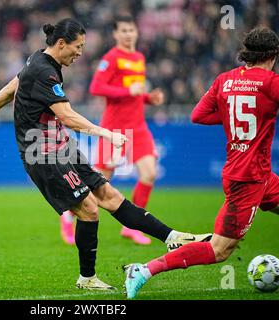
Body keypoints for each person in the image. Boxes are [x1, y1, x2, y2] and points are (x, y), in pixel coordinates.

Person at [0, 18, 211, 291]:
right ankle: (87, 278)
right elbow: (66, 116)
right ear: (60, 44)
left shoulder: (40, 61)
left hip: (59, 145)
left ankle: (172, 237)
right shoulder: (44, 70)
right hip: (41, 151)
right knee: (90, 209)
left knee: (110, 196)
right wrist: (108, 134)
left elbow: (14, 84)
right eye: (77, 47)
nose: (80, 53)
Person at [124, 26, 279, 299]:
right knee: (220, 250)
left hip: (257, 174)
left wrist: (232, 117)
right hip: (248, 179)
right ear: (273, 54)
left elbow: (197, 115)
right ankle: (144, 270)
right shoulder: (271, 83)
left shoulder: (225, 80)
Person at [60, 15, 165, 246]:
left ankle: (133, 226)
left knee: (149, 174)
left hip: (138, 128)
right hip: (114, 129)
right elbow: (96, 87)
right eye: (124, 31)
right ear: (116, 34)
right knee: (98, 185)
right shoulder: (111, 58)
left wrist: (148, 98)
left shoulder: (138, 58)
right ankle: (68, 213)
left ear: (136, 32)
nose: (128, 34)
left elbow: (134, 94)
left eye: (131, 30)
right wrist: (130, 90)